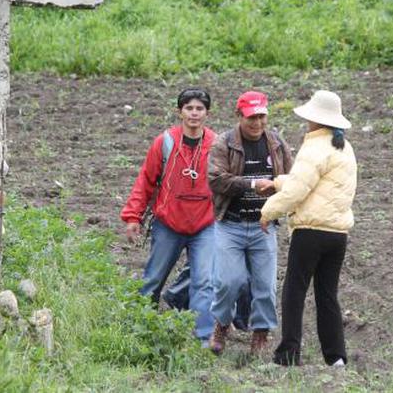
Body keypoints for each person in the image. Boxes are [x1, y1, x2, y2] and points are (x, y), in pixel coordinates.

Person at [260, 90, 357, 367]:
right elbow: (316, 182)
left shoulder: (314, 147)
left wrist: (268, 212)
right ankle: (336, 357)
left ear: (314, 119)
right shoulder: (343, 146)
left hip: (310, 232)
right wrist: (278, 182)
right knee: (327, 295)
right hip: (337, 233)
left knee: (294, 292)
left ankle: (288, 355)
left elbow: (297, 192)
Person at [120, 88, 218, 342]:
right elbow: (146, 181)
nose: (194, 113)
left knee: (204, 281)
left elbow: (226, 183)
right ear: (180, 112)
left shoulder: (217, 145)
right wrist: (133, 217)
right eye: (189, 108)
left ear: (207, 113)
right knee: (153, 278)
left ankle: (202, 339)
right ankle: (141, 330)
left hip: (205, 225)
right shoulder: (164, 143)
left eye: (199, 108)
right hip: (169, 224)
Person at [207, 91, 293, 355]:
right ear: (239, 116)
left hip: (263, 226)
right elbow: (216, 179)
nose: (257, 123)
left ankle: (260, 333)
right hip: (230, 224)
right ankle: (222, 323)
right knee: (227, 282)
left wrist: (281, 192)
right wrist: (254, 184)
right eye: (251, 118)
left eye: (261, 117)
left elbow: (292, 177)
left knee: (265, 286)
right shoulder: (224, 143)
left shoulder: (277, 143)